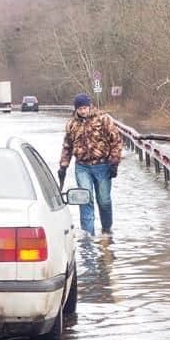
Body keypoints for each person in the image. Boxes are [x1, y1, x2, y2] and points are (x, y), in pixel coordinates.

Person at [58, 92, 122, 235]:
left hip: (103, 165)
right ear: (76, 109)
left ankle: (106, 231)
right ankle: (88, 237)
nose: (83, 111)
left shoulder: (103, 120)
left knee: (104, 201)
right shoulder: (71, 124)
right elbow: (67, 146)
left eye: (85, 107)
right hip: (82, 167)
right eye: (80, 108)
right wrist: (63, 165)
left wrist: (114, 162)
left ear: (90, 106)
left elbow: (116, 141)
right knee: (85, 199)